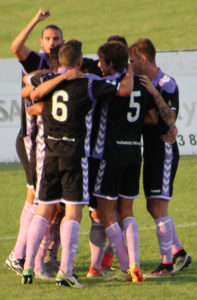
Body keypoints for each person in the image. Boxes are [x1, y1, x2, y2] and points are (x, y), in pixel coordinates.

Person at [20, 40, 133, 287]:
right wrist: (130, 68)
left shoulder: (47, 79)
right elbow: (123, 89)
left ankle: (28, 267)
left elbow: (29, 85)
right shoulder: (89, 83)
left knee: (43, 211)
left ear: (60, 61)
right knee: (73, 213)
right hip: (74, 155)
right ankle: (66, 272)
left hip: (49, 154)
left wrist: (58, 78)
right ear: (80, 62)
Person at [83, 42, 158, 282]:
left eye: (102, 62)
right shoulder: (142, 85)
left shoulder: (111, 85)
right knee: (127, 212)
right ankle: (134, 262)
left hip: (110, 154)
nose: (98, 65)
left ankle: (127, 266)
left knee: (105, 216)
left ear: (111, 64)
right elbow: (152, 118)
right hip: (135, 153)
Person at [5, 7, 64, 276]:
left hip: (48, 144)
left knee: (42, 201)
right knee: (36, 200)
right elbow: (16, 47)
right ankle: (20, 256)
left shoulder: (63, 67)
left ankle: (26, 256)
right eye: (49, 38)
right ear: (42, 43)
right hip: (32, 141)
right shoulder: (36, 62)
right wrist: (36, 19)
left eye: (57, 39)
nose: (53, 42)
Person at [129, 38, 192, 277]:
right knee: (152, 205)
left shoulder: (167, 84)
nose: (130, 65)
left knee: (158, 205)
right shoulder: (139, 82)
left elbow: (169, 120)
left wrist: (154, 92)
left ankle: (166, 264)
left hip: (164, 151)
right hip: (151, 151)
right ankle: (179, 253)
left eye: (133, 60)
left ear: (143, 59)